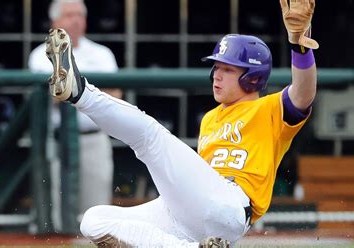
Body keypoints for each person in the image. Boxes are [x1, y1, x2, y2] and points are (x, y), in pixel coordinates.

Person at [44, 0, 318, 246]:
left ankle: (79, 91)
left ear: (254, 78)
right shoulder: (210, 119)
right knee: (94, 220)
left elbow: (303, 93)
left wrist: (299, 44)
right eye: (216, 67)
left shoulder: (268, 109)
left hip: (232, 205)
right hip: (192, 215)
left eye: (228, 69)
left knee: (150, 136)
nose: (216, 75)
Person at [28, 0, 121, 228]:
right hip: (57, 142)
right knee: (57, 219)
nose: (76, 19)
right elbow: (52, 97)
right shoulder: (41, 55)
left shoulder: (102, 54)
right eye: (69, 14)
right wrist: (88, 92)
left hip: (94, 139)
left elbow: (116, 95)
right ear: (55, 21)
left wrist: (70, 91)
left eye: (80, 14)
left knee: (98, 215)